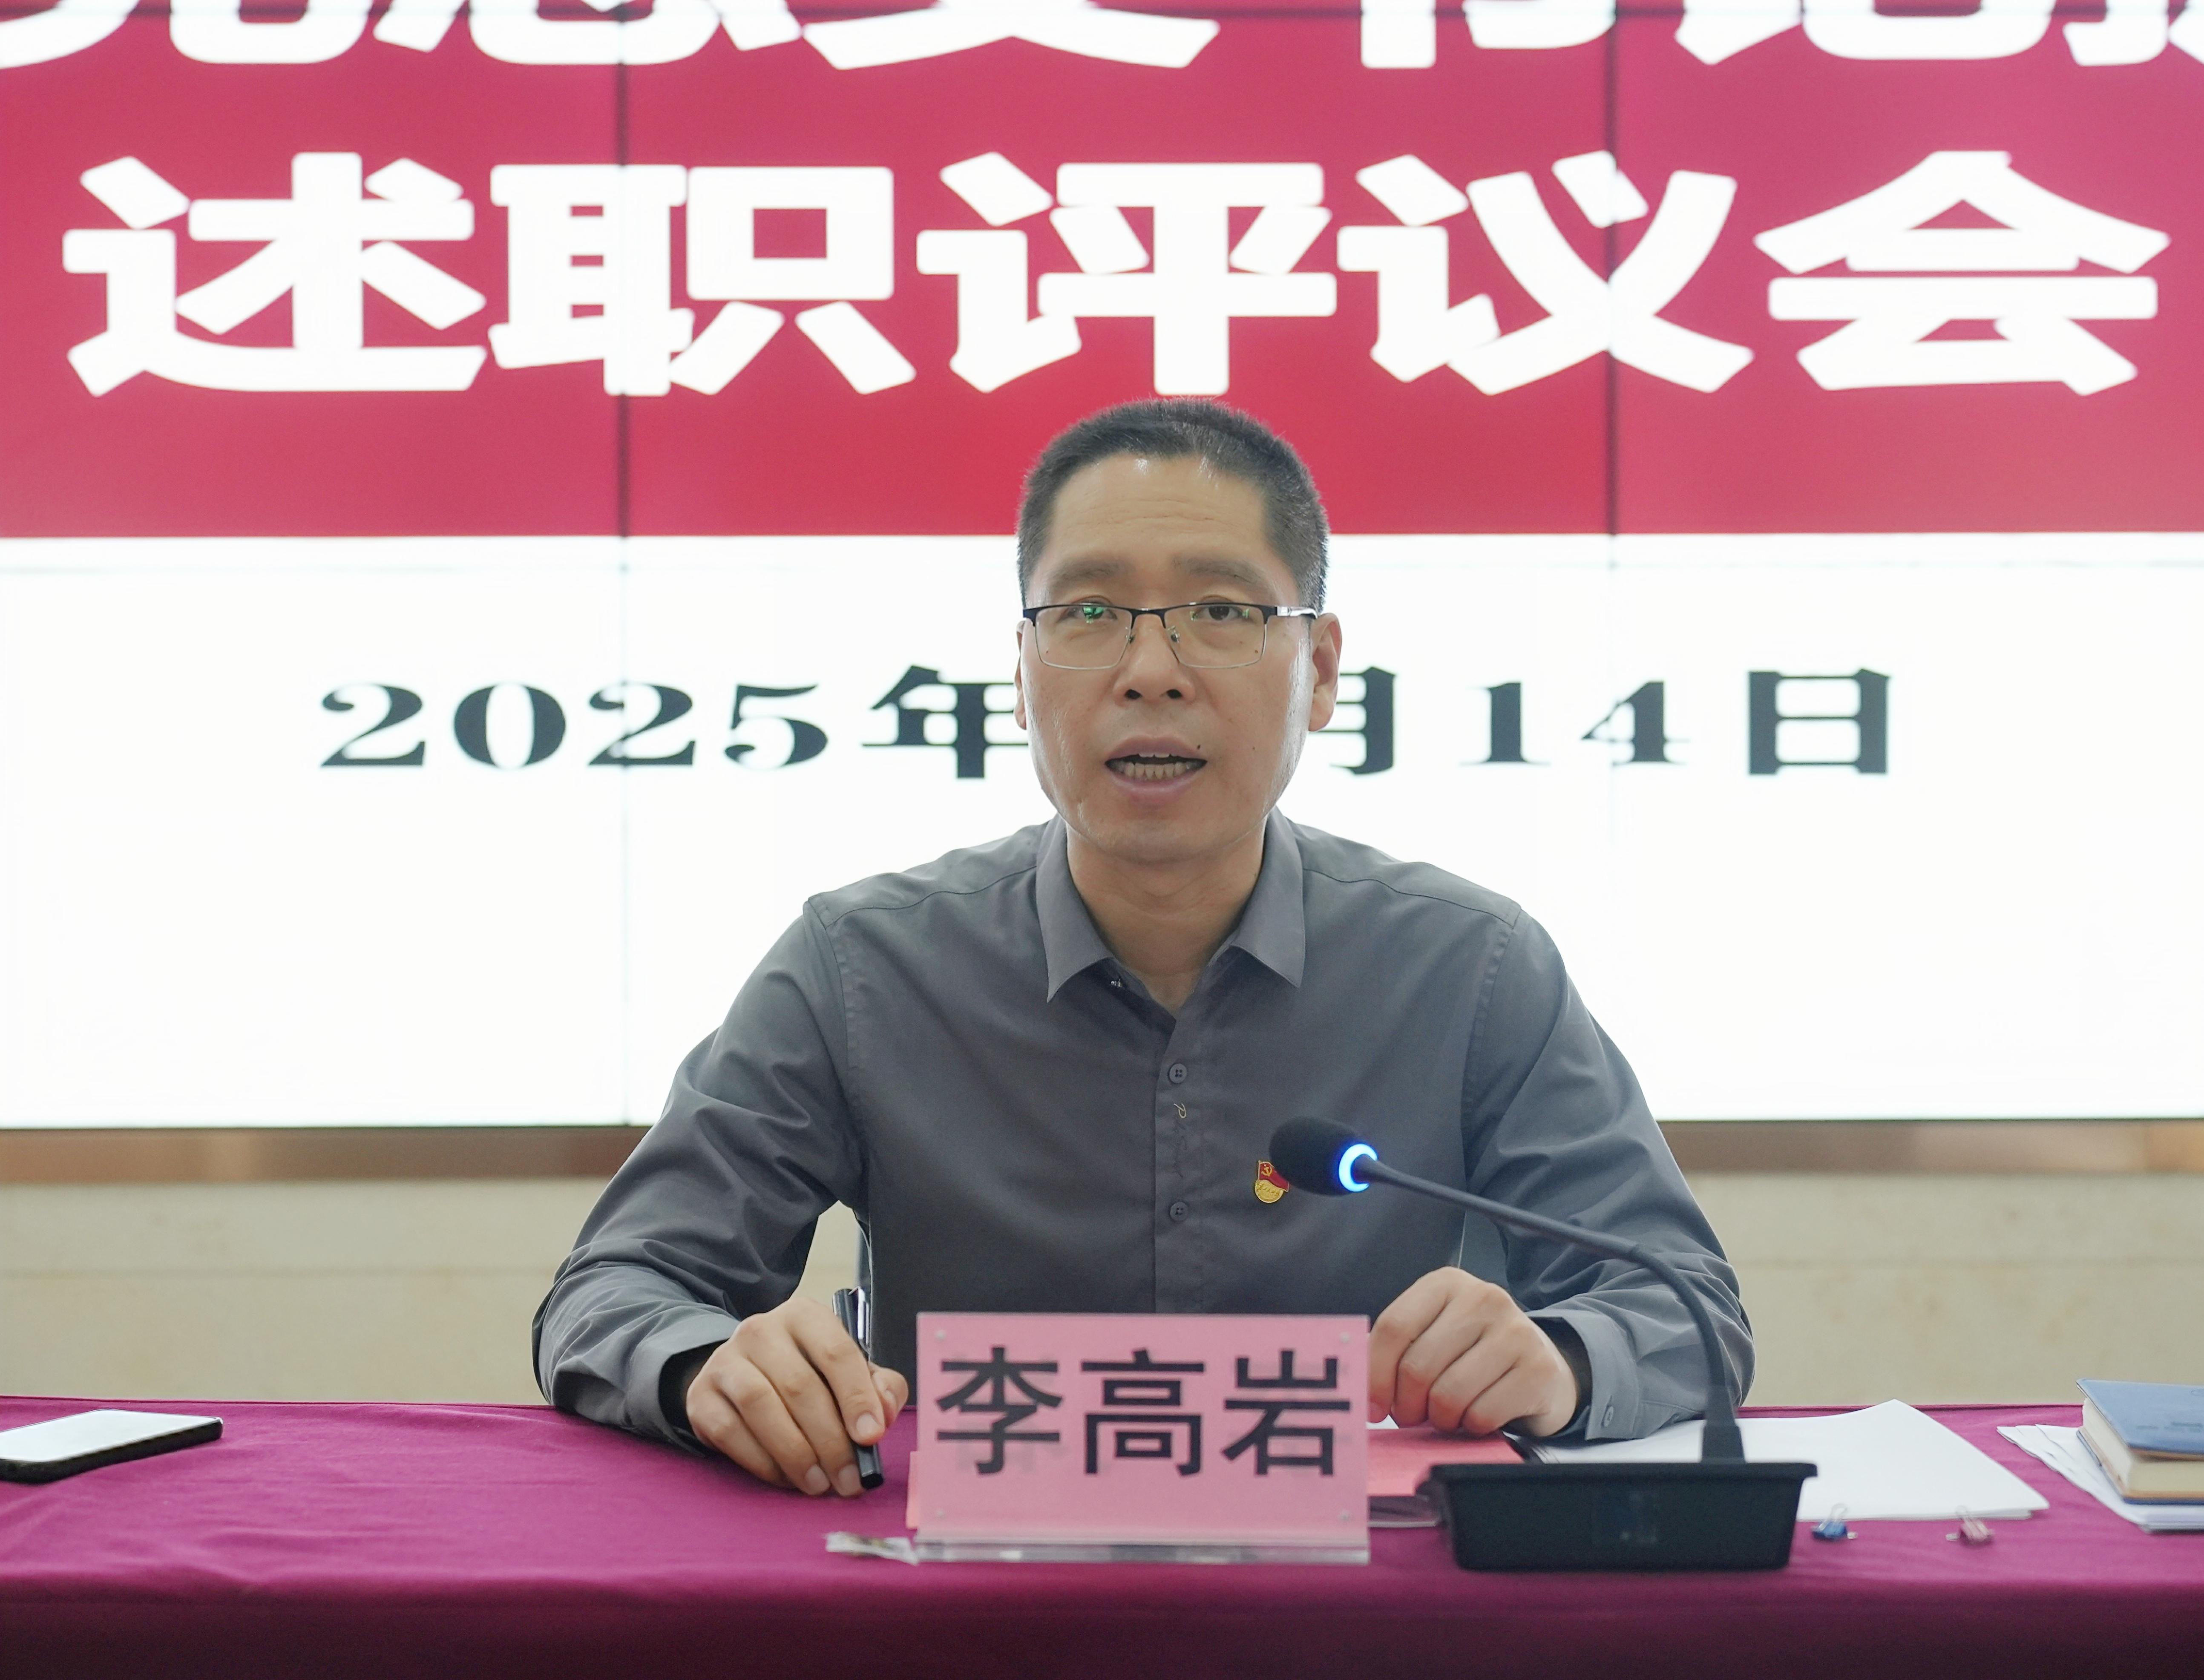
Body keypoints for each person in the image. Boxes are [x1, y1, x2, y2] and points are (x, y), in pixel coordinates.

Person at [534, 399, 1751, 1499]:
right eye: (1088, 614)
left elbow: (1684, 1307)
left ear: (1320, 669)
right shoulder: (859, 969)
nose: (1151, 673)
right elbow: (614, 1291)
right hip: (962, 1607)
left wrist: (1559, 1360)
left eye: (1222, 613)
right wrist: (708, 1365)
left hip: (1360, 1612)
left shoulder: (1469, 968)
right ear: (1022, 674)